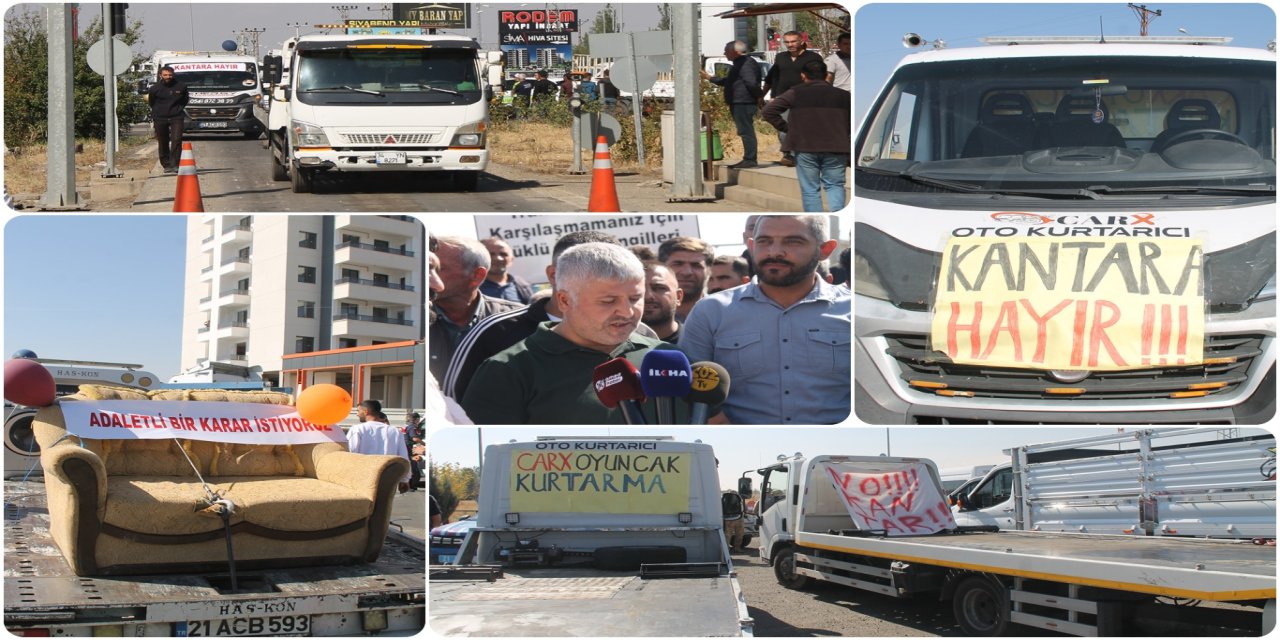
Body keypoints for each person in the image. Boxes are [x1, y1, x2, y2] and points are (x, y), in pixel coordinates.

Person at [460, 242, 686, 425]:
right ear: (565, 300)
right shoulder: (506, 371)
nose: (627, 312)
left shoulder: (667, 356)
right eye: (608, 301)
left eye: (635, 299)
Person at [442, 231, 659, 401]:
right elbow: (453, 405)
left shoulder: (643, 335)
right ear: (555, 275)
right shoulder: (495, 332)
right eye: (607, 300)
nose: (625, 312)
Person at [680, 215, 851, 424]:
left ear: (825, 250)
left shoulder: (853, 309)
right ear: (751, 246)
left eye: (793, 241)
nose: (774, 252)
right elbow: (688, 387)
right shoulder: (711, 311)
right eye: (764, 241)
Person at [428, 236, 524, 382]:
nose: (429, 276)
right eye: (428, 268)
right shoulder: (410, 317)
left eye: (440, 269)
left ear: (476, 276)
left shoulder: (517, 321)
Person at [762, 60, 851, 212]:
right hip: (836, 147)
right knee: (835, 185)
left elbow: (768, 111)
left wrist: (787, 128)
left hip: (805, 147)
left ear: (803, 76)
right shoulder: (844, 95)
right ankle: (838, 216)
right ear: (826, 76)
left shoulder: (795, 93)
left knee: (810, 189)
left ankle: (816, 220)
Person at [762, 32, 825, 168]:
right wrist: (765, 95)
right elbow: (773, 77)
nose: (790, 45)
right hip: (783, 97)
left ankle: (806, 155)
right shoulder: (781, 58)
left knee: (806, 127)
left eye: (793, 41)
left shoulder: (813, 57)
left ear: (802, 41)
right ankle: (788, 155)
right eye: (787, 42)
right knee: (783, 127)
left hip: (806, 97)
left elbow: (820, 76)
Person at [701, 41, 763, 169]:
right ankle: (749, 158)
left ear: (736, 52)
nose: (724, 53)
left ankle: (750, 159)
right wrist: (711, 78)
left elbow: (751, 83)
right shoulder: (740, 64)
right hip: (739, 101)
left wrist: (759, 96)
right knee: (744, 130)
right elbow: (731, 82)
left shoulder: (745, 64)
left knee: (746, 130)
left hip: (743, 102)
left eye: (726, 50)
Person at [347, 400, 412, 492]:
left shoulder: (357, 429)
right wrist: (405, 479)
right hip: (387, 478)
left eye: (358, 411)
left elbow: (350, 452)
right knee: (383, 505)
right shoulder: (395, 431)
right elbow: (404, 457)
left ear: (366, 411)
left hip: (363, 477)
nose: (357, 414)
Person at [658, 236, 714, 323]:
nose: (687, 272)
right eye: (678, 264)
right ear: (661, 268)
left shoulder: (724, 312)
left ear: (709, 271)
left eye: (696, 265)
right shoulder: (645, 316)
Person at [145, 66, 189, 174]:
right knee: (163, 141)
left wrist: (177, 109)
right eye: (165, 75)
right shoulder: (155, 88)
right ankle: (166, 164)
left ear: (173, 75)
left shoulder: (181, 86)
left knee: (177, 140)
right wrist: (159, 111)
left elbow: (185, 100)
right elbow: (152, 102)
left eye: (170, 75)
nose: (168, 77)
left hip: (176, 117)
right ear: (161, 75)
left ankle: (175, 164)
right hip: (160, 117)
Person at [479, 237, 533, 304]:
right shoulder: (470, 288)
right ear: (479, 258)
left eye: (503, 254)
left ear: (512, 259)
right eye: (491, 254)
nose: (498, 258)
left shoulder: (523, 287)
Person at [642, 262, 683, 343]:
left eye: (659, 288)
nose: (648, 296)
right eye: (641, 289)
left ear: (678, 297)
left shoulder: (698, 341)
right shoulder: (615, 345)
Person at [403, 412, 424, 490]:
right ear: (416, 419)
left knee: (410, 467)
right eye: (418, 419)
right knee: (413, 468)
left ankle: (411, 485)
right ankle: (410, 485)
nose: (418, 421)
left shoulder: (406, 425)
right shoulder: (412, 427)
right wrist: (424, 444)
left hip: (405, 448)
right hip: (409, 448)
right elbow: (415, 438)